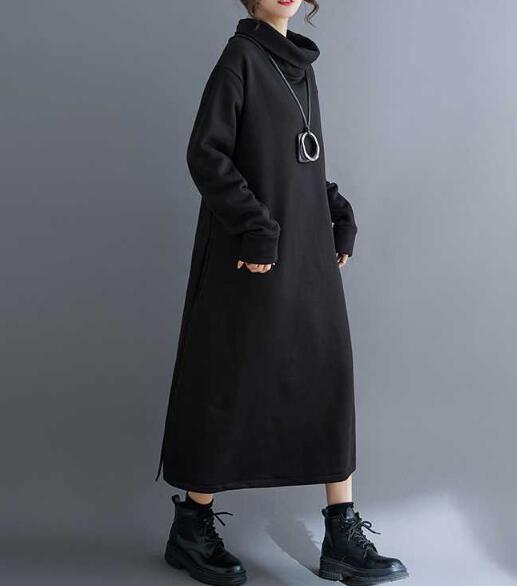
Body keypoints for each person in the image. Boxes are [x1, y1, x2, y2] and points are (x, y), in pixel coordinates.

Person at [155, 1, 408, 584]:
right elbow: (206, 153)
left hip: (305, 251)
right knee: (231, 381)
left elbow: (299, 161)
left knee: (328, 374)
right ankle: (191, 526)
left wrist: (335, 211)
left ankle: (341, 532)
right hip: (253, 256)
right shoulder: (240, 59)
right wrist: (256, 226)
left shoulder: (300, 67)